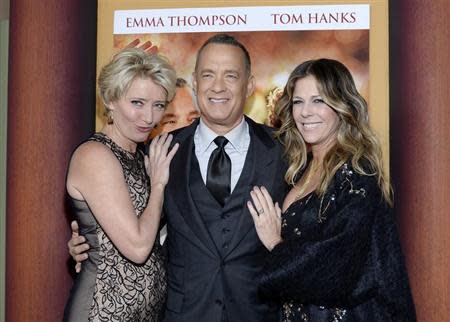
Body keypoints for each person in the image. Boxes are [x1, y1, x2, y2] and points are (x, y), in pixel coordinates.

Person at [69, 34, 288, 322]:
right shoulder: (159, 152)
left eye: (231, 75)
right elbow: (132, 223)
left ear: (249, 85)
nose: (218, 86)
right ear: (195, 83)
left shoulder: (287, 150)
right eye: (208, 75)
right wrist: (89, 243)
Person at [247, 58, 416, 321]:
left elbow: (338, 266)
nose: (305, 112)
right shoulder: (298, 171)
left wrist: (275, 243)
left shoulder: (356, 174)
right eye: (298, 102)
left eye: (318, 101)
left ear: (342, 106)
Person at [63, 48, 178, 322]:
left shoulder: (142, 156)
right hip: (102, 313)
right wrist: (159, 185)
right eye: (137, 102)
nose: (149, 117)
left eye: (158, 105)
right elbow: (138, 249)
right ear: (111, 99)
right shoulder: (95, 155)